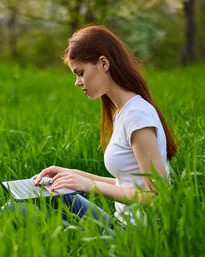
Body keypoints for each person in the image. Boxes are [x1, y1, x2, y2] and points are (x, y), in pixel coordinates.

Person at [33, 25, 177, 228]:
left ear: (103, 63)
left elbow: (157, 196)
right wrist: (71, 174)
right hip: (121, 224)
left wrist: (88, 186)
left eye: (80, 73)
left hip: (137, 237)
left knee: (18, 212)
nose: (77, 82)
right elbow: (125, 184)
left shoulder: (137, 116)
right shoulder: (122, 112)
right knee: (47, 197)